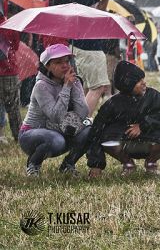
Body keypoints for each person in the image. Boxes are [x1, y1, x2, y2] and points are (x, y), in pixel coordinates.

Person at [87, 61, 160, 177]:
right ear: (128, 85)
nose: (144, 83)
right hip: (124, 141)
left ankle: (151, 163)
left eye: (143, 79)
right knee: (105, 136)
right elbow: (96, 131)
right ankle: (128, 164)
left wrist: (143, 125)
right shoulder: (113, 103)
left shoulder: (153, 95)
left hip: (150, 138)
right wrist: (96, 165)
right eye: (139, 81)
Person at [18, 44, 91, 176]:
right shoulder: (41, 86)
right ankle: (33, 164)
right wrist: (66, 87)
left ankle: (68, 165)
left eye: (67, 61)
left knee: (91, 131)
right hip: (31, 135)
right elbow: (56, 116)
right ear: (47, 66)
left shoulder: (73, 81)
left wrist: (73, 85)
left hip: (61, 131)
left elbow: (83, 112)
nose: (65, 65)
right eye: (58, 62)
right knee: (57, 141)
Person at [69, 0, 116, 115]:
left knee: (87, 86)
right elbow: (97, 12)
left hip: (76, 41)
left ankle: (75, 121)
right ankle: (79, 124)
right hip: (89, 43)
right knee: (98, 87)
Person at [0, 10, 22, 142]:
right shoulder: (9, 24)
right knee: (13, 107)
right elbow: (16, 46)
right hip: (9, 71)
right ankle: (18, 136)